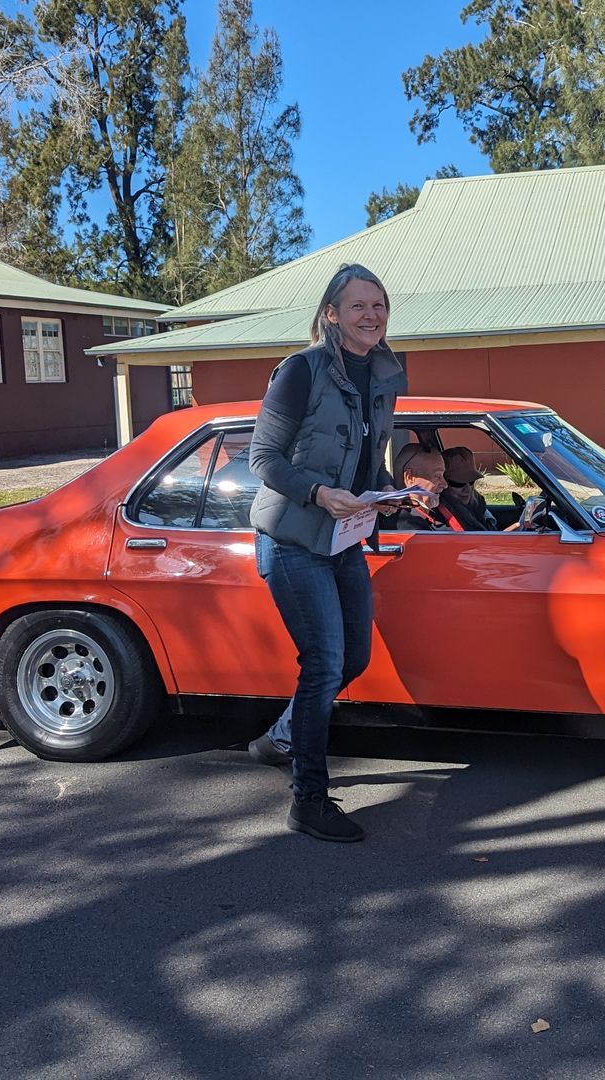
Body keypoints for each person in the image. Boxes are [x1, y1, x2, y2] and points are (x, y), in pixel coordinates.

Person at [245, 263, 406, 843]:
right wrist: (317, 492)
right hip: (291, 537)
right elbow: (262, 459)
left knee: (354, 659)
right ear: (331, 314)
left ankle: (281, 738)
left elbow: (371, 456)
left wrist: (393, 491)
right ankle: (307, 800)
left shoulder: (386, 371)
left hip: (343, 533)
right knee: (323, 665)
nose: (371, 315)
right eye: (358, 306)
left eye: (379, 305)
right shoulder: (299, 371)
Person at [392, 444, 469, 531]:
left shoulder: (442, 507)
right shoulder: (408, 526)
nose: (445, 485)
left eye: (443, 475)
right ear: (410, 477)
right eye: (436, 476)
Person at [440, 446, 499, 531]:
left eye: (471, 481)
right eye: (458, 484)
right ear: (442, 483)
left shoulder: (477, 500)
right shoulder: (442, 514)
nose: (468, 489)